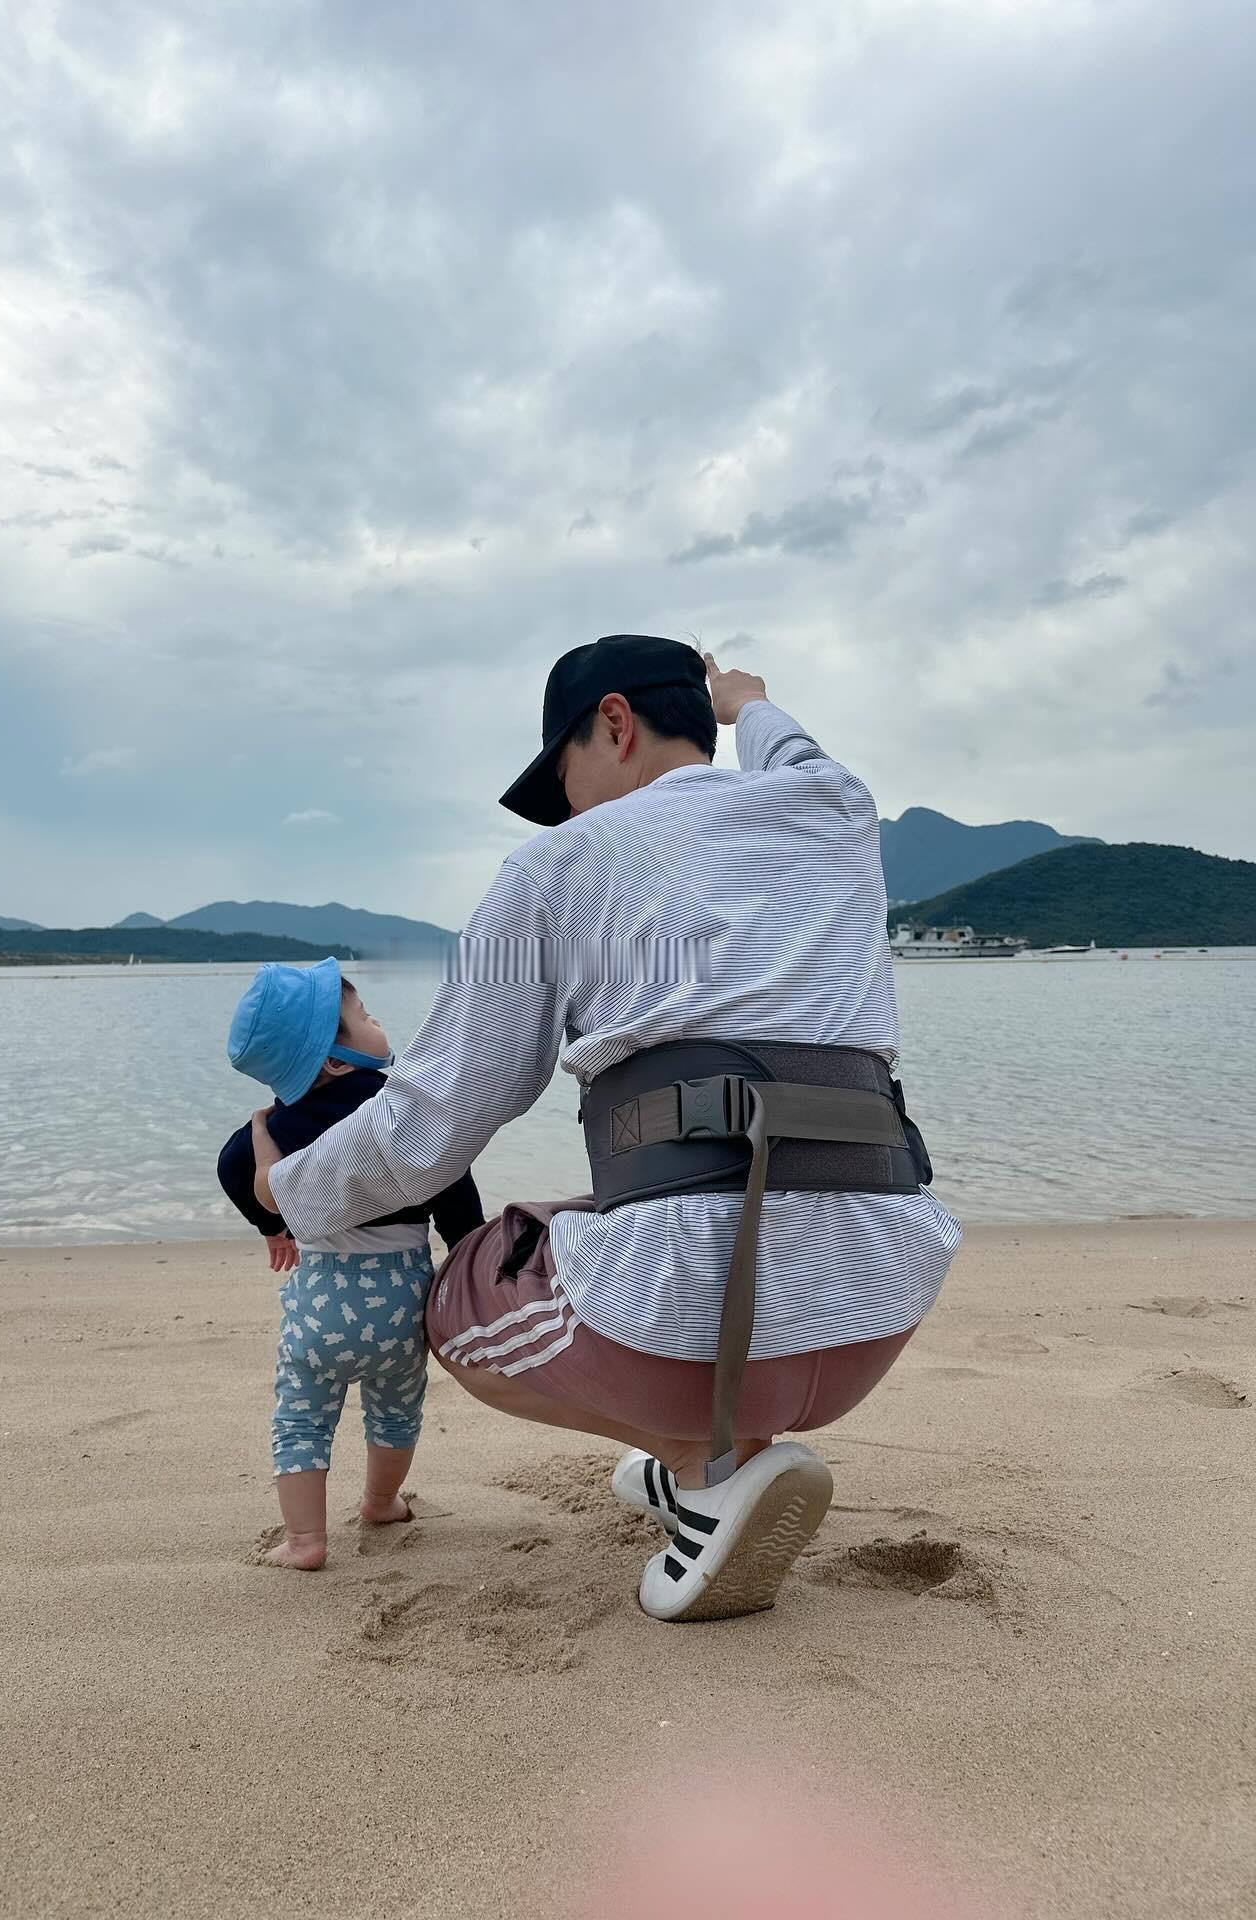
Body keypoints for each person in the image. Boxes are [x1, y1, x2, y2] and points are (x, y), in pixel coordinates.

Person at [258, 637, 962, 1619]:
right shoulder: (834, 809)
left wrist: (289, 1191)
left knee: (466, 1286)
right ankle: (710, 1466)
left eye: (566, 776)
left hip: (693, 1344)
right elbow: (802, 758)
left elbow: (435, 1119)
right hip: (875, 1308)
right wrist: (748, 701)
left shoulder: (554, 868)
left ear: (616, 723)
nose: (571, 808)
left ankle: (704, 1469)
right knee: (630, 1202)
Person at [219, 958, 483, 1569]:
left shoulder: (278, 1125)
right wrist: (468, 1249)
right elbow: (453, 1185)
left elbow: (232, 1168)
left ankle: (306, 1541)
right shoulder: (403, 1114)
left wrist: (271, 1224)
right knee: (396, 1410)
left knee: (300, 1418)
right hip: (401, 1307)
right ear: (338, 1060)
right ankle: (381, 1501)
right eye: (363, 1016)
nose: (376, 1018)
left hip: (321, 1309)